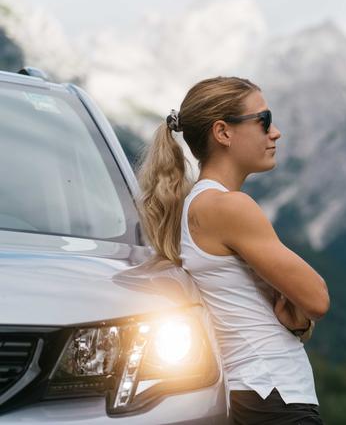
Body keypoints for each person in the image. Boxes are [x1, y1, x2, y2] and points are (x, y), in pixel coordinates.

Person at [137, 76, 330, 424]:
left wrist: (297, 319)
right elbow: (317, 298)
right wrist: (298, 314)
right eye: (264, 121)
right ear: (223, 132)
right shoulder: (229, 207)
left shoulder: (192, 205)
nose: (275, 133)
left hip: (253, 391)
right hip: (276, 393)